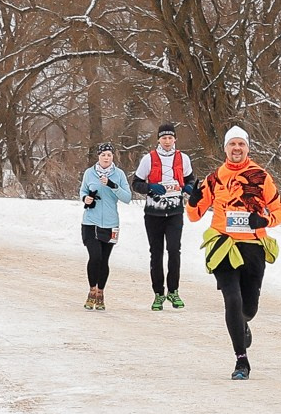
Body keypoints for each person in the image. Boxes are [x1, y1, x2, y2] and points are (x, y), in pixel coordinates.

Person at [188, 125, 281, 379]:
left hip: (253, 247)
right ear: (225, 149)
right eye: (232, 144)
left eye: (241, 144)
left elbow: (280, 212)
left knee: (248, 308)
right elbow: (195, 215)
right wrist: (192, 200)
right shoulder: (214, 178)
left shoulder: (260, 176)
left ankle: (243, 323)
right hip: (223, 245)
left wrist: (264, 221)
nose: (237, 148)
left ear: (247, 148)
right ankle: (241, 361)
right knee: (232, 299)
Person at [130, 123, 194, 310]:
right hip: (154, 213)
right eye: (164, 138)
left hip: (175, 212)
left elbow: (191, 179)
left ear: (175, 139)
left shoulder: (183, 158)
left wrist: (189, 187)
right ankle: (158, 293)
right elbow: (136, 183)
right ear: (158, 139)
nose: (167, 141)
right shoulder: (148, 159)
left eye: (170, 137)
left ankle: (173, 292)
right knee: (156, 254)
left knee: (174, 251)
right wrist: (150, 187)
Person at [77, 143, 133, 308]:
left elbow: (127, 197)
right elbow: (82, 191)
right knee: (95, 257)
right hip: (90, 221)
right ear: (98, 157)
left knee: (104, 260)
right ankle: (92, 290)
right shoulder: (89, 173)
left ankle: (101, 292)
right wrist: (85, 198)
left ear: (113, 157)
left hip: (110, 223)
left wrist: (112, 185)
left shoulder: (119, 174)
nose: (106, 158)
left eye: (109, 155)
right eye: (103, 155)